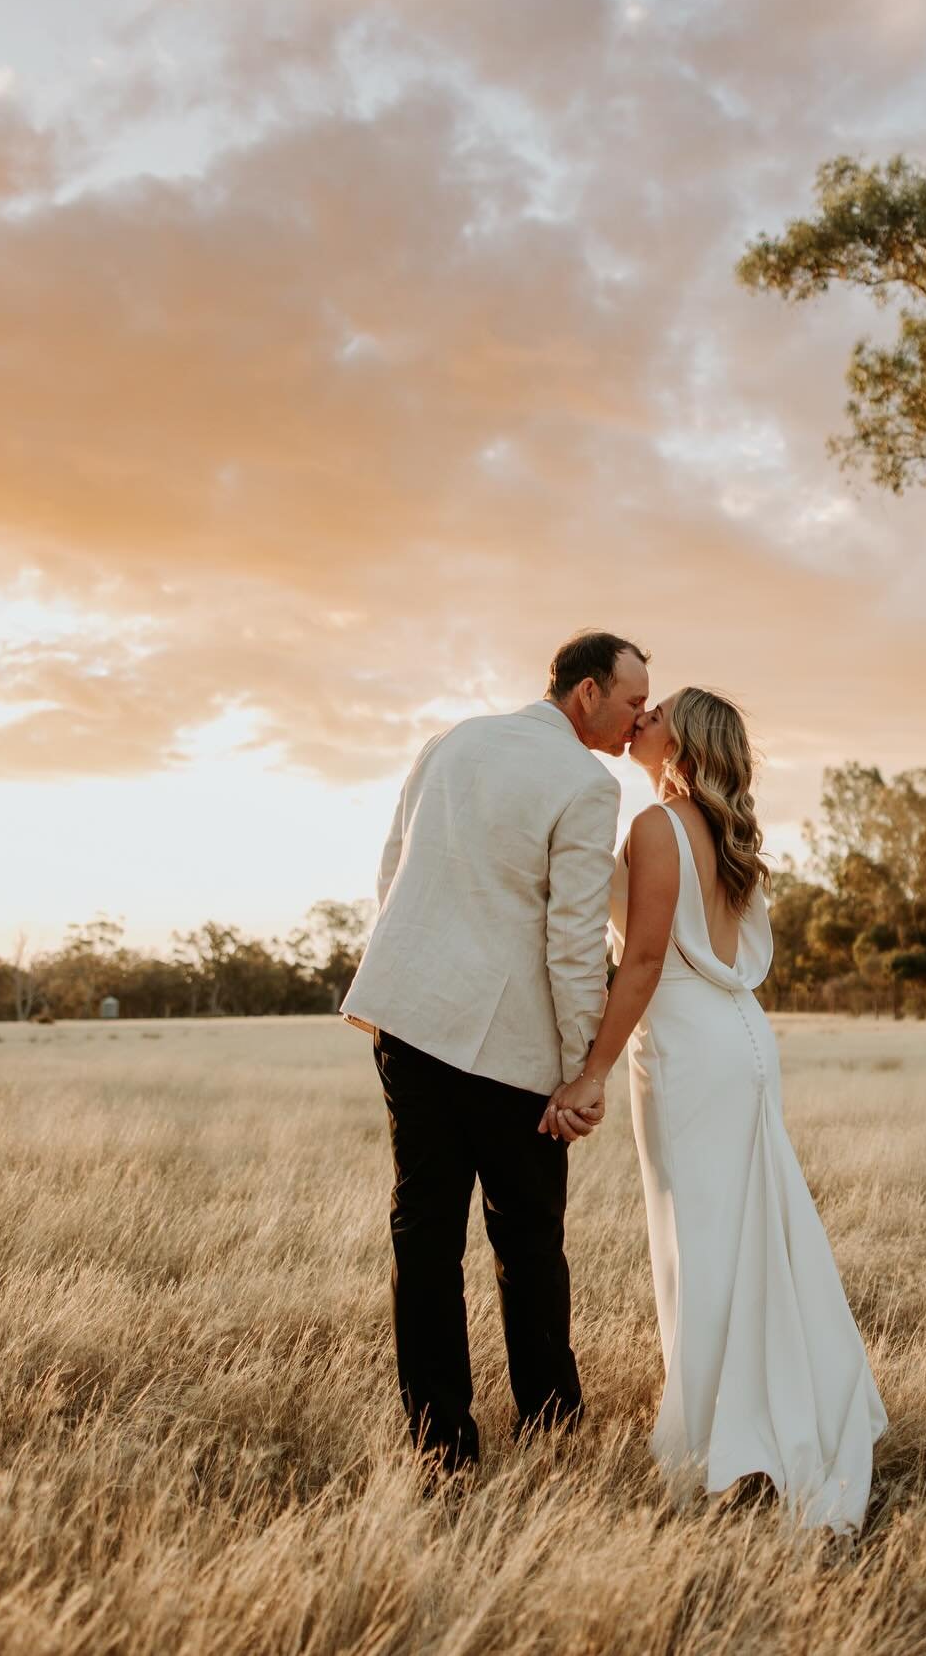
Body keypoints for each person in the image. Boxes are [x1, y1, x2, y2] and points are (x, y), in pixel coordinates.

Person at [543, 687, 887, 1532]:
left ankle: (709, 1443)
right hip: (739, 1039)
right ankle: (753, 1419)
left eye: (656, 713)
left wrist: (591, 1070)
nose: (642, 718)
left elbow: (647, 956)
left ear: (683, 745)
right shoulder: (724, 835)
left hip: (692, 1051)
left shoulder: (659, 826)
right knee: (746, 1239)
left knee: (700, 1247)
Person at [341, 630, 650, 1471]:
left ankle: (440, 1444)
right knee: (527, 1240)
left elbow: (392, 869)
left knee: (424, 1232)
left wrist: (405, 973)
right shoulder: (586, 784)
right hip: (507, 1046)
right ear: (585, 693)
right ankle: (551, 1423)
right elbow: (574, 937)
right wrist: (579, 1069)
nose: (639, 719)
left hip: (407, 1019)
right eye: (630, 702)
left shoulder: (452, 740)